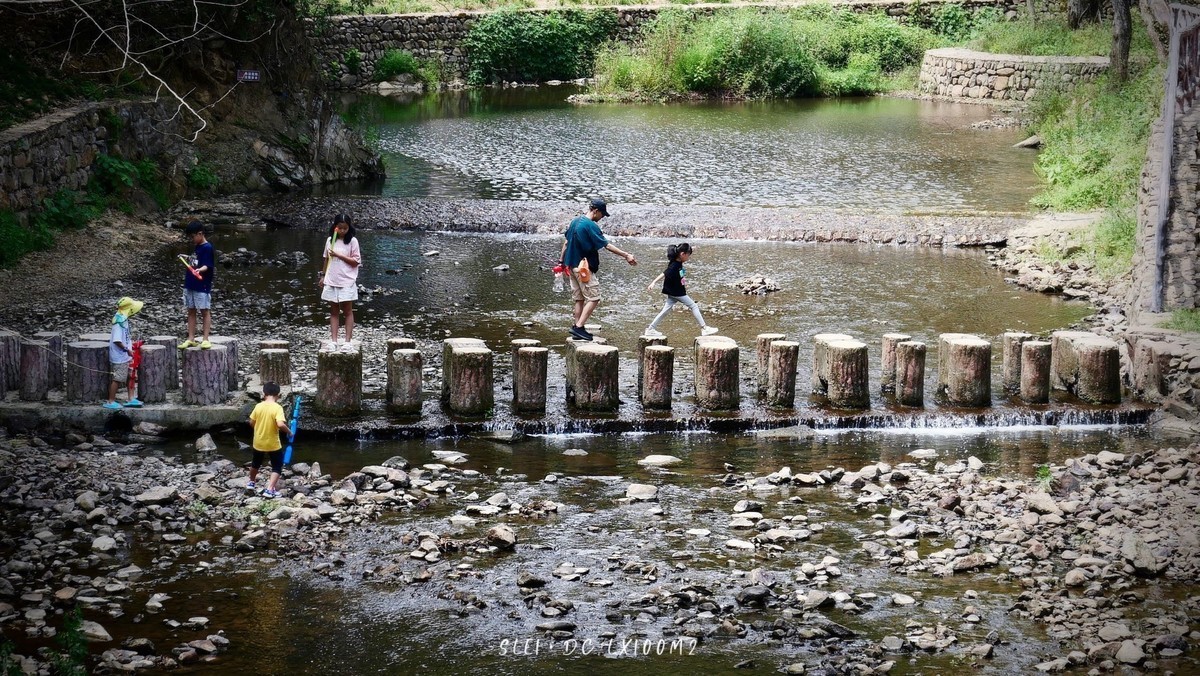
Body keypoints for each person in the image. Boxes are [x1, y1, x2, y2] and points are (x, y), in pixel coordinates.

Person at [558, 197, 637, 341]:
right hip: (583, 268)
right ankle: (579, 327)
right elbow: (606, 245)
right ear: (595, 211)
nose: (602, 217)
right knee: (594, 297)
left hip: (571, 266)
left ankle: (577, 328)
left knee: (579, 299)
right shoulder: (590, 225)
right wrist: (626, 255)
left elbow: (566, 242)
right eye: (602, 214)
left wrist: (561, 261)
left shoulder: (575, 221)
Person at [644, 243, 719, 338]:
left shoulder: (676, 262)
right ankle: (704, 328)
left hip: (673, 292)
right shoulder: (674, 265)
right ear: (682, 254)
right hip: (677, 292)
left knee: (665, 310)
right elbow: (665, 273)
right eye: (688, 255)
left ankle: (651, 329)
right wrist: (654, 282)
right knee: (693, 306)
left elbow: (666, 272)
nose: (688, 258)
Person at [318, 213, 361, 353]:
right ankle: (333, 341)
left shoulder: (353, 241)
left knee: (348, 311)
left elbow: (356, 261)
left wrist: (339, 255)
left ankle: (348, 342)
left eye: (345, 228)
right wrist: (323, 276)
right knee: (334, 311)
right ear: (335, 227)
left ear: (349, 227)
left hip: (346, 280)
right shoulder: (330, 240)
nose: (342, 231)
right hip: (332, 279)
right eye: (340, 228)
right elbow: (326, 259)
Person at [248, 381, 290, 498]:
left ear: (264, 393)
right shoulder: (277, 408)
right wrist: (289, 432)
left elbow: (251, 422)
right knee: (277, 465)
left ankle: (251, 482)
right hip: (273, 443)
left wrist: (258, 429)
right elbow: (280, 424)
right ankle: (270, 489)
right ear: (278, 394)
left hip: (258, 441)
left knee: (255, 463)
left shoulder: (258, 406)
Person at [178, 220, 214, 350]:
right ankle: (191, 338)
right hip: (190, 284)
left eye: (193, 237)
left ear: (200, 233)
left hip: (201, 285)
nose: (192, 239)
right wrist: (187, 257)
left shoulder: (207, 247)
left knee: (204, 310)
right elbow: (196, 259)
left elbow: (207, 265)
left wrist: (200, 270)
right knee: (191, 310)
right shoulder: (197, 246)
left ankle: (205, 339)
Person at [105, 297, 144, 409]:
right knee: (118, 378)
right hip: (119, 356)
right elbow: (117, 340)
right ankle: (111, 401)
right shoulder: (118, 323)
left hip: (126, 354)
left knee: (130, 376)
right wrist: (127, 350)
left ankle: (131, 398)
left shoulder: (124, 320)